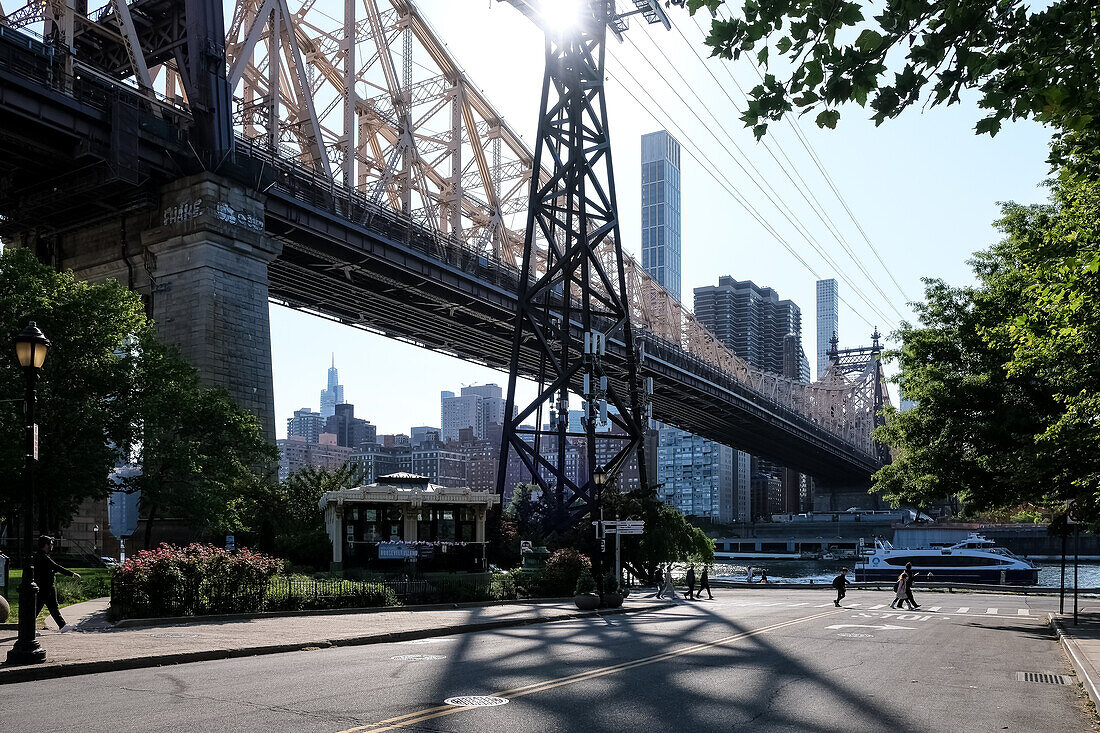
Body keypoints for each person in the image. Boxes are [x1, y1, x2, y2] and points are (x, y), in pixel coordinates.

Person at [34, 535, 80, 631]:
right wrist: (72, 574)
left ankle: (62, 626)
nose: (52, 546)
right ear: (45, 545)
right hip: (45, 587)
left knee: (52, 607)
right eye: (50, 544)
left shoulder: (41, 555)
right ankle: (28, 628)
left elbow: (50, 568)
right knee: (39, 608)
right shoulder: (42, 556)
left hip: (46, 586)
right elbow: (56, 567)